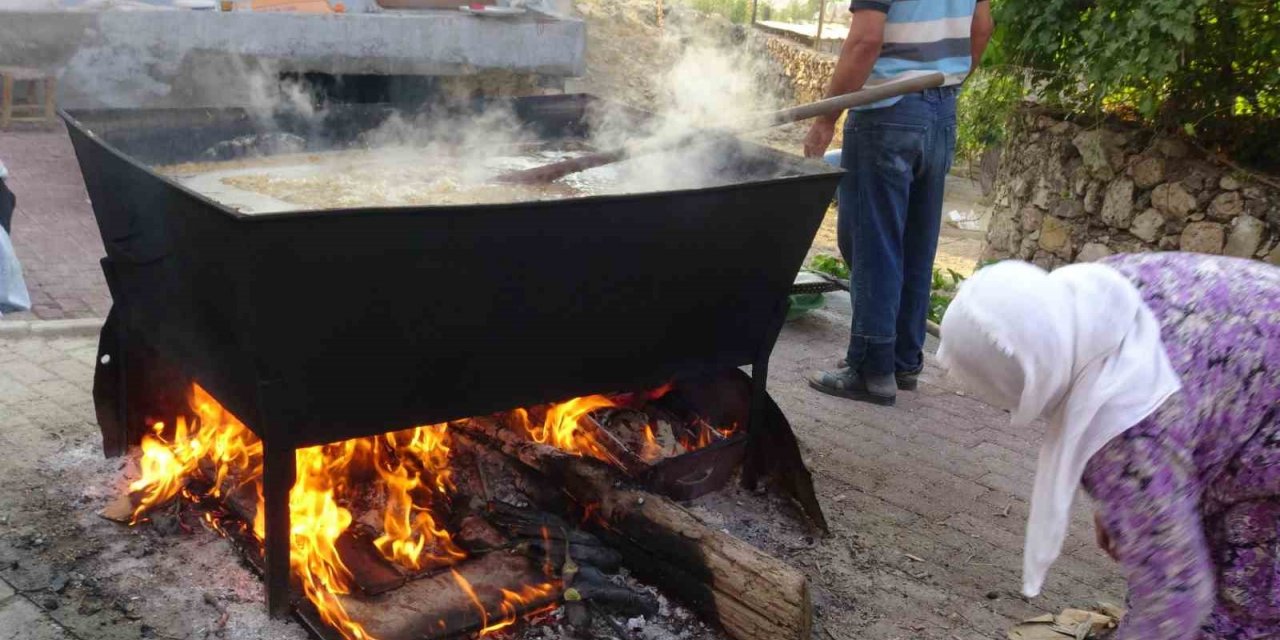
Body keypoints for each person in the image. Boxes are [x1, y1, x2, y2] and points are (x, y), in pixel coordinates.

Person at [937, 253, 1280, 640]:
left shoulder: (1128, 436)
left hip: (1266, 433)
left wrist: (1135, 504)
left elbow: (1175, 597)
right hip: (1254, 378)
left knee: (1244, 599)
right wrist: (1127, 508)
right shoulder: (1095, 294)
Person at [804, 0, 994, 406]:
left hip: (886, 111)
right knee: (915, 243)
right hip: (940, 110)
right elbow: (982, 28)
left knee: (873, 242)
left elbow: (865, 40)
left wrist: (826, 118)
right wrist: (946, 84)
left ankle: (872, 369)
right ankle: (903, 360)